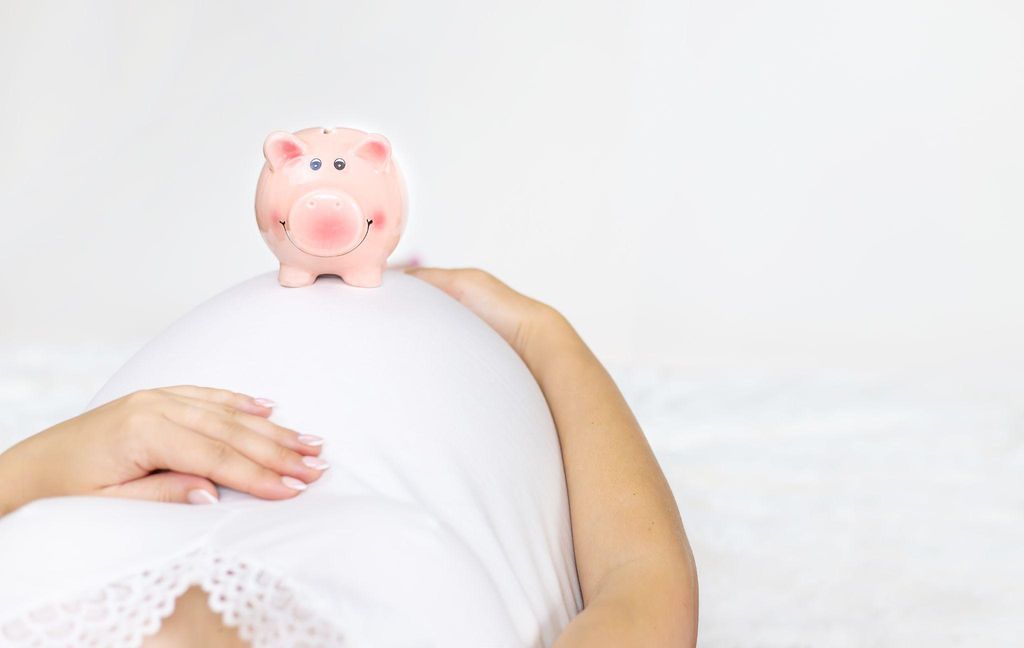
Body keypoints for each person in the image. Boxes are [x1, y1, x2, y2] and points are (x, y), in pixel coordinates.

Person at [0, 268, 698, 647]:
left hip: (126, 454)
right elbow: (641, 579)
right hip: (463, 409)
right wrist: (542, 337)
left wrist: (41, 467)